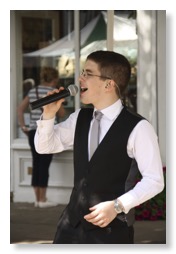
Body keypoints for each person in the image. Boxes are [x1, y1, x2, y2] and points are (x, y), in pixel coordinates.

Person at [34, 51, 164, 243]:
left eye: (88, 73)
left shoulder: (139, 127)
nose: (80, 78)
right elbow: (44, 147)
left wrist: (117, 206)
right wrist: (48, 115)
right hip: (70, 227)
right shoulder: (79, 117)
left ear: (109, 84)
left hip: (111, 231)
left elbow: (154, 180)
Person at [17, 66, 65, 208]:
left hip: (33, 131)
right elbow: (61, 114)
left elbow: (20, 109)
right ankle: (42, 200)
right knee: (44, 165)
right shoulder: (53, 93)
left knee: (36, 164)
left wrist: (23, 126)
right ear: (55, 79)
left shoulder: (33, 91)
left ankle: (37, 199)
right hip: (47, 131)